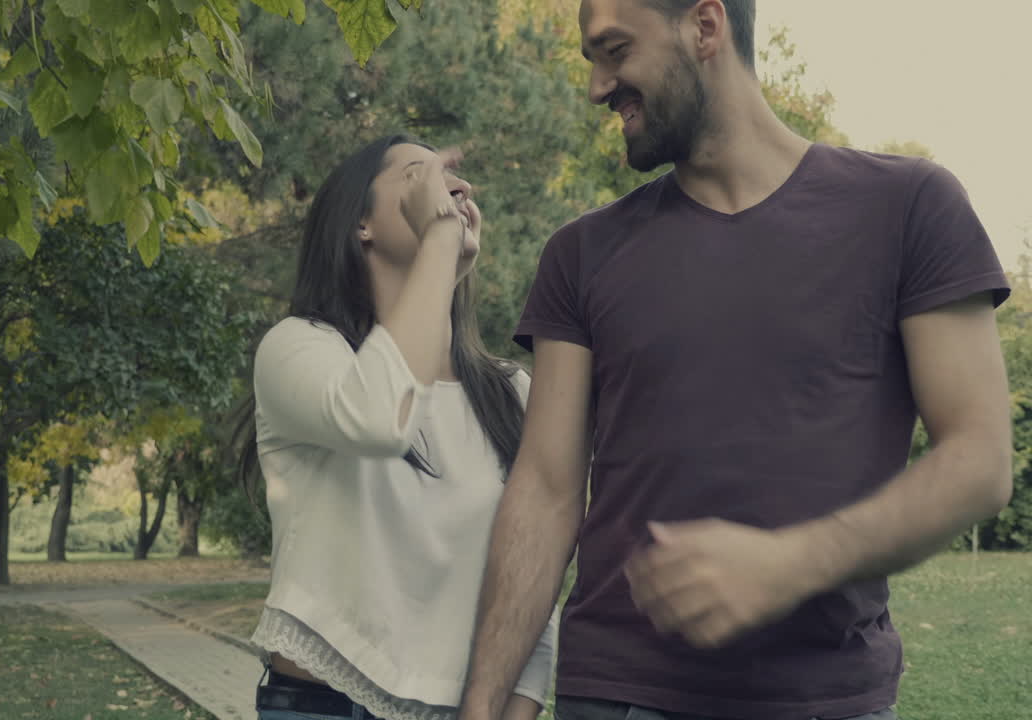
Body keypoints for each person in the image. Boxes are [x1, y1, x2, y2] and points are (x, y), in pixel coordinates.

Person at [456, 1, 1013, 719]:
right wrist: (481, 705)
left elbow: (979, 461)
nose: (597, 86)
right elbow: (545, 490)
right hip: (619, 696)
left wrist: (791, 563)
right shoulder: (581, 254)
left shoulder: (909, 208)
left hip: (825, 699)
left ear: (706, 27)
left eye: (615, 51)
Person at [237, 134, 557, 720]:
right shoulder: (296, 349)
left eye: (453, 180)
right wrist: (440, 247)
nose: (455, 188)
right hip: (323, 704)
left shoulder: (511, 393)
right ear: (361, 223)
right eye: (420, 176)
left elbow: (533, 568)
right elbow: (381, 420)